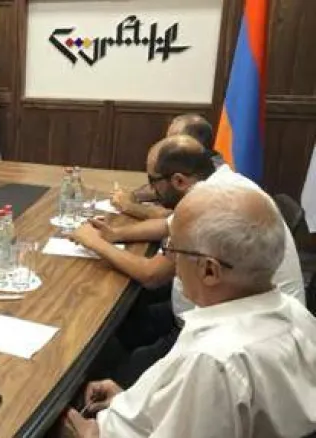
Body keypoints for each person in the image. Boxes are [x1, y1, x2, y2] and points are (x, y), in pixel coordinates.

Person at [60, 184, 316, 438]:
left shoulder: (214, 361)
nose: (172, 261)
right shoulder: (296, 314)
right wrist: (129, 402)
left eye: (173, 250)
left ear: (209, 270)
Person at [69, 135, 304, 383]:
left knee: (114, 369)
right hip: (248, 319)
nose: (152, 190)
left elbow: (152, 275)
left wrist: (94, 243)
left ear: (178, 180)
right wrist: (115, 234)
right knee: (125, 318)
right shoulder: (222, 186)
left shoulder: (213, 204)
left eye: (153, 181)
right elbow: (167, 224)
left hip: (236, 339)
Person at [113, 114, 222, 220]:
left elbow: (178, 219)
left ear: (189, 143)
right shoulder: (200, 165)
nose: (165, 146)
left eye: (172, 141)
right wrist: (133, 195)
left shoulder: (215, 182)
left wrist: (130, 206)